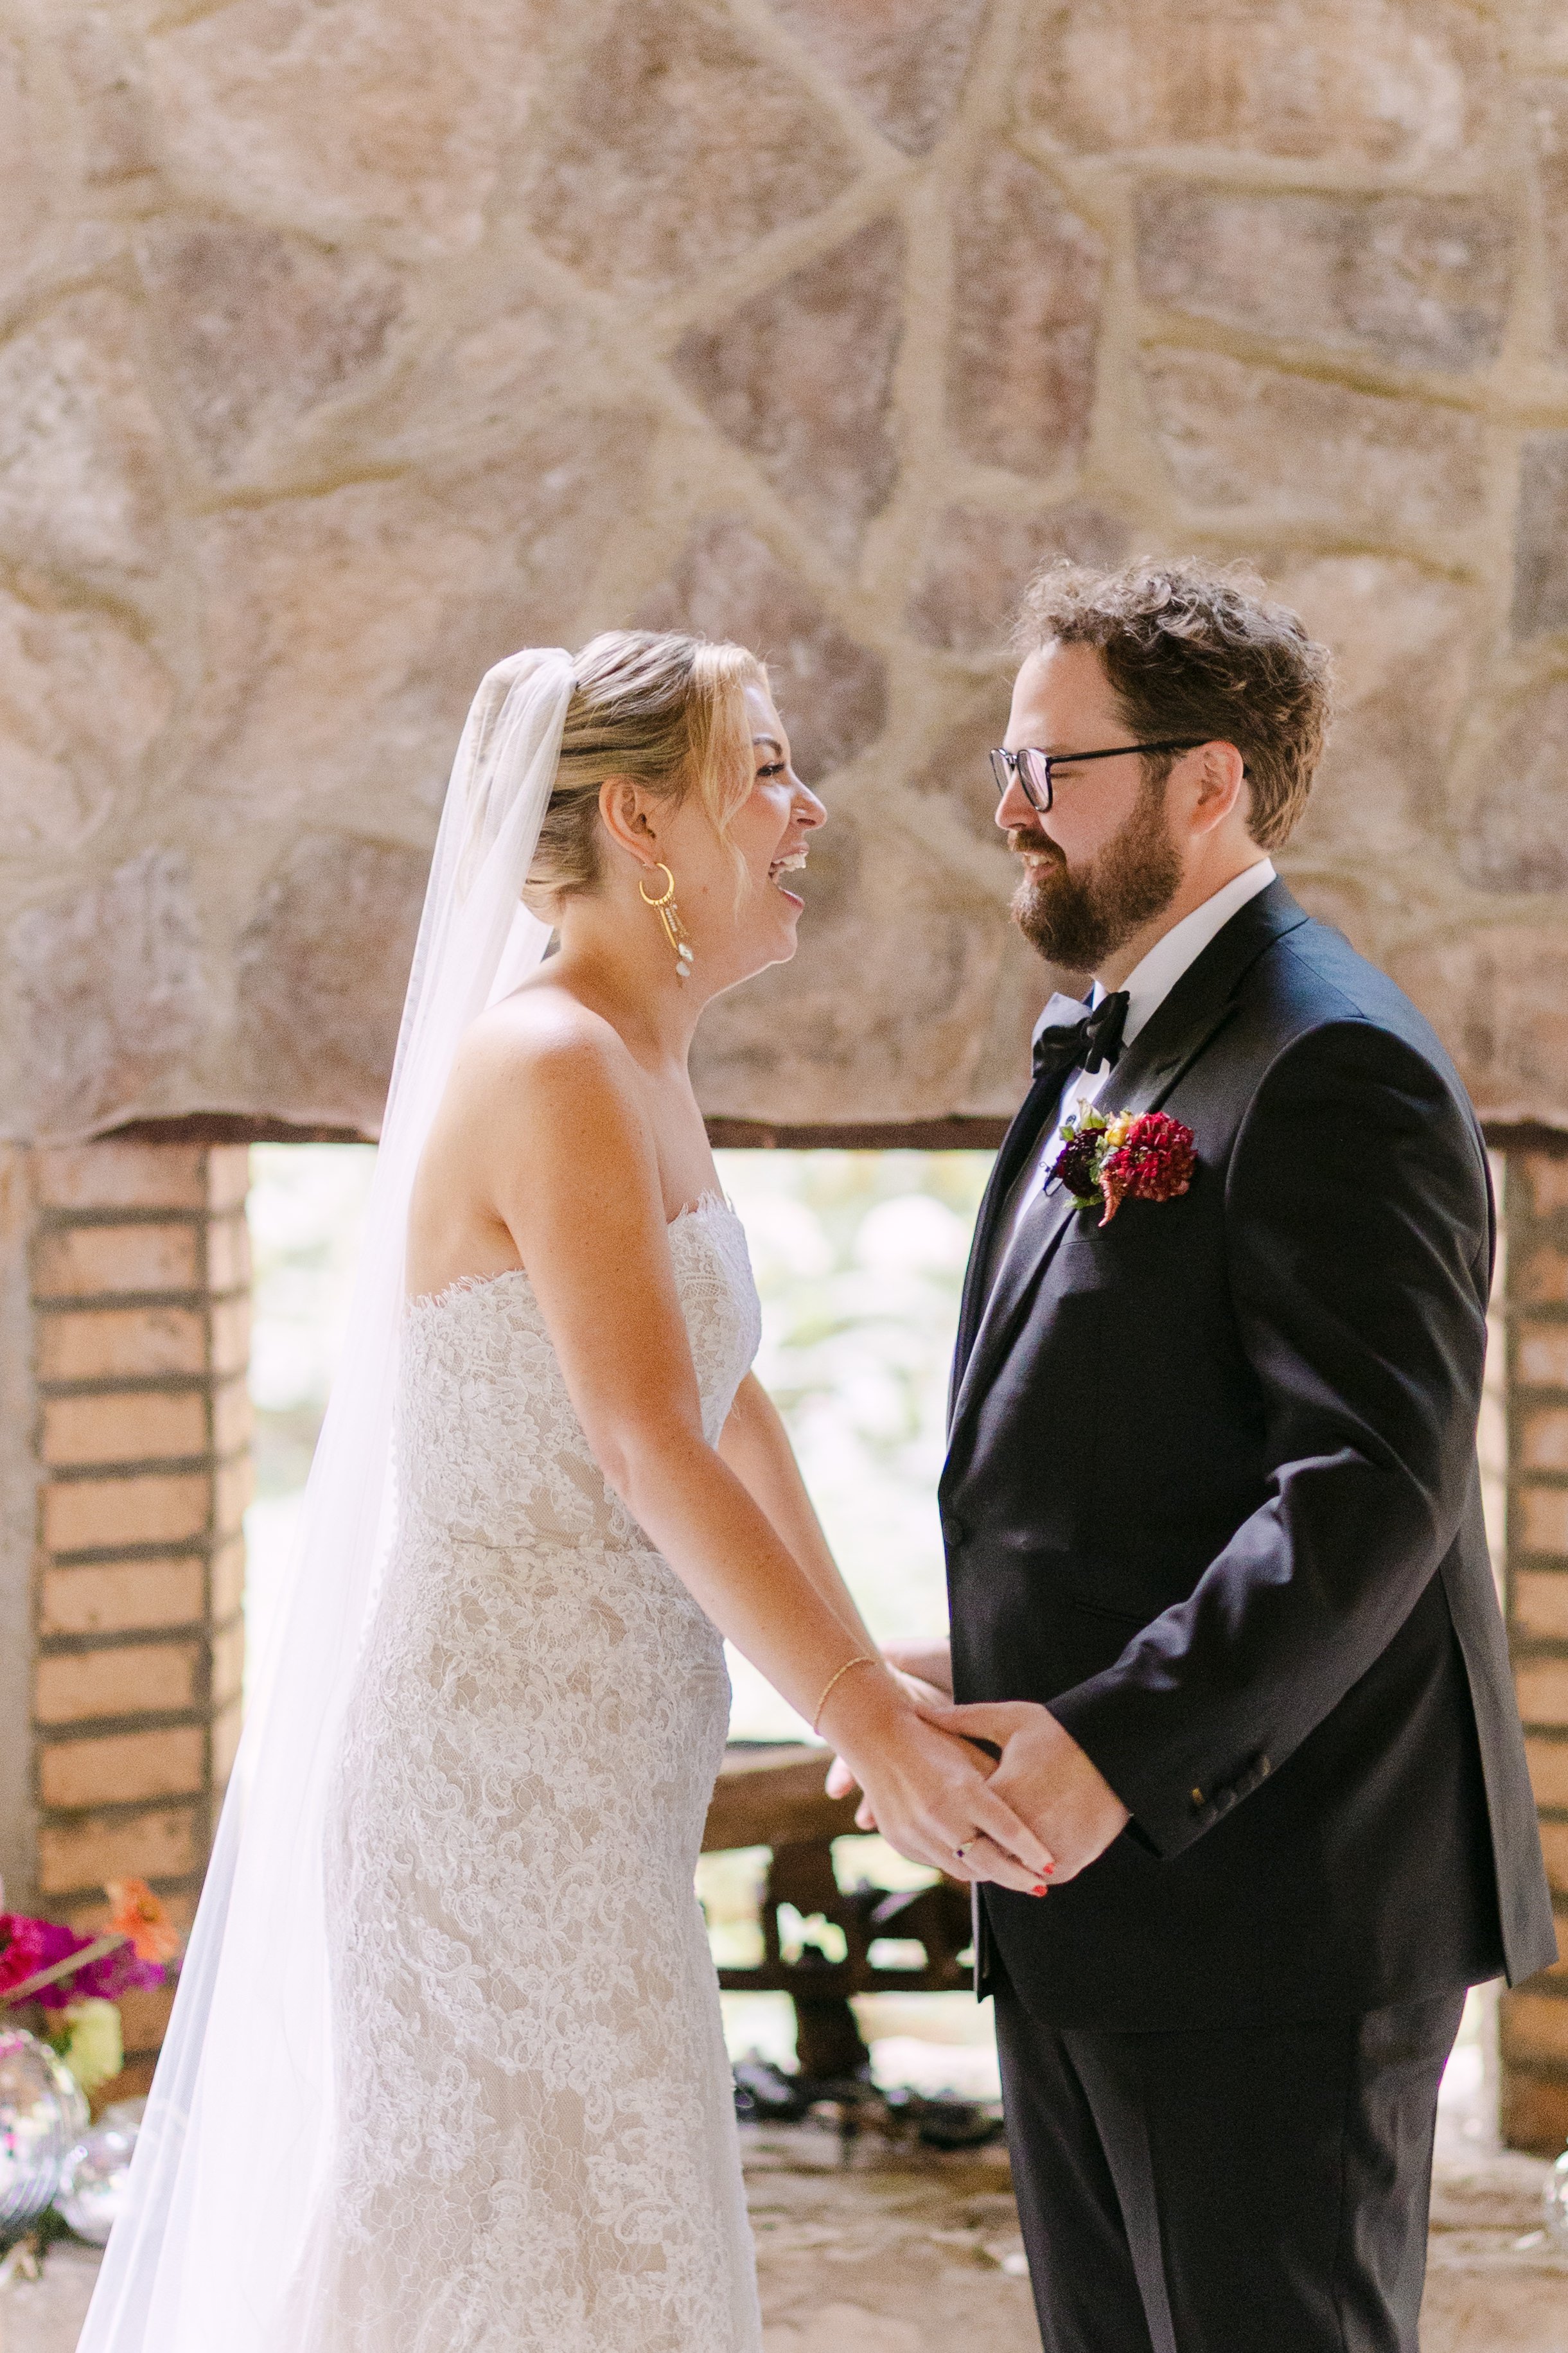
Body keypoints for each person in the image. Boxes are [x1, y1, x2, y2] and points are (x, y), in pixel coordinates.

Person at [80, 631, 1051, 2353]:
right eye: (759, 767)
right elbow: (640, 1439)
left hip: (592, 1806)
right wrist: (858, 1722)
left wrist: (855, 1674)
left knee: (614, 2254)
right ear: (638, 821)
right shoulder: (550, 1064)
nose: (805, 804)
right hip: (487, 1805)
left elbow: (725, 1396)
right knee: (496, 2271)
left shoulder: (640, 1058)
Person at [844, 560, 1555, 2353]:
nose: (1012, 812)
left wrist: (1110, 1745)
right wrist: (991, 1674)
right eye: (1006, 766)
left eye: (1053, 770)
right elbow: (1131, 1450)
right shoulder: (1112, 1041)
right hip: (1094, 1888)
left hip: (1272, 1911)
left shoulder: (1332, 1064)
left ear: (1207, 780)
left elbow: (1366, 1488)